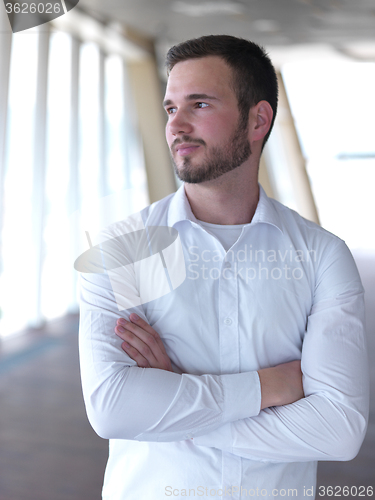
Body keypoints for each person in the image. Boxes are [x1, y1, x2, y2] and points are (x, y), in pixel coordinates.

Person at [78, 35, 369, 500]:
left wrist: (178, 399)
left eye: (200, 104)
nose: (177, 126)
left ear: (258, 119)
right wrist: (265, 387)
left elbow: (338, 430)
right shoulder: (123, 249)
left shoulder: (322, 257)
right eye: (172, 108)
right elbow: (113, 410)